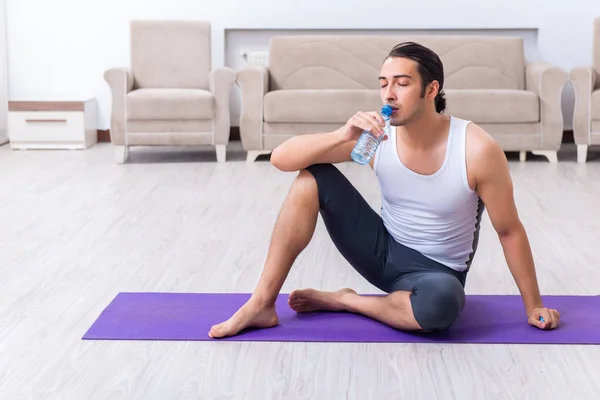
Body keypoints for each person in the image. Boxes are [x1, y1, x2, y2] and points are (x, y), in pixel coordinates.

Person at [208, 41, 560, 338]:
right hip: (380, 251)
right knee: (311, 176)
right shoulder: (377, 137)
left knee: (444, 305)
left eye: (402, 83)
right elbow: (281, 159)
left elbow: (509, 230)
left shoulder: (476, 149)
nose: (389, 93)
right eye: (383, 83)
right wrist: (342, 135)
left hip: (436, 274)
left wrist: (534, 305)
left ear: (432, 89)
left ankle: (346, 300)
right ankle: (261, 303)